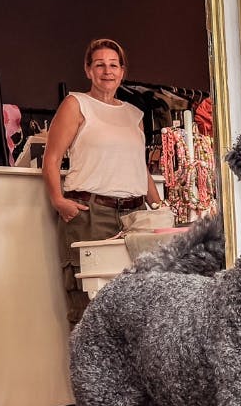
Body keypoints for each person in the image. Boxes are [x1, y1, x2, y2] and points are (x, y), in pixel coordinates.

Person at [44, 39, 163, 324]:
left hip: (136, 217)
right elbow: (51, 157)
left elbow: (138, 165)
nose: (107, 71)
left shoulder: (133, 114)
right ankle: (89, 369)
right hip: (92, 215)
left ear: (122, 71)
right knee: (90, 309)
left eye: (113, 65)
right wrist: (59, 201)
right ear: (88, 70)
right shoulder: (77, 105)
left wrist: (158, 206)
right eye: (99, 65)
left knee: (137, 305)